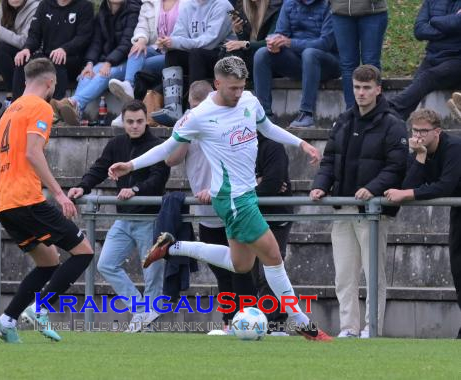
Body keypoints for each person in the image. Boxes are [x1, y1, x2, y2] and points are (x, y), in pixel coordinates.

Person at [109, 56, 332, 341]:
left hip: (245, 194)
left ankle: (172, 247)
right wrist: (131, 165)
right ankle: (303, 324)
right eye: (232, 89)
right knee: (273, 257)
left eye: (241, 87)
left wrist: (300, 143)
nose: (238, 94)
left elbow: (267, 129)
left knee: (241, 264)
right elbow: (167, 146)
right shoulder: (199, 116)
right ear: (217, 84)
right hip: (233, 199)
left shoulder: (250, 101)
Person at [0, 58, 94, 343]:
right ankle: (40, 307)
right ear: (50, 83)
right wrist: (59, 194)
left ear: (24, 81)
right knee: (83, 252)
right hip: (26, 200)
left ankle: (7, 320)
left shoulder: (8, 112)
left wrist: (6, 193)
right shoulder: (40, 107)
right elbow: (34, 153)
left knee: (48, 262)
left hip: (4, 203)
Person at [310, 65, 408, 338]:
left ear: (378, 89)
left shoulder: (393, 123)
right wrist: (320, 186)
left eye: (366, 88)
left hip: (373, 211)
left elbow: (397, 166)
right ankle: (349, 328)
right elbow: (329, 160)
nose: (361, 93)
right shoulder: (343, 120)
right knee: (344, 275)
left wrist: (372, 188)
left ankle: (371, 328)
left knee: (373, 274)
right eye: (357, 87)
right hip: (343, 207)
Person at [67, 100, 170, 332]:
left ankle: (148, 327)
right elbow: (99, 168)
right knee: (106, 263)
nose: (135, 126)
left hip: (150, 220)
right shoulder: (116, 144)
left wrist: (135, 190)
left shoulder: (157, 145)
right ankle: (142, 313)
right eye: (130, 122)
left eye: (139, 121)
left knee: (153, 275)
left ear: (147, 121)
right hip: (124, 219)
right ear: (123, 122)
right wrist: (82, 187)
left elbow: (159, 178)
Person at [166, 80, 257, 335]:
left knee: (243, 270)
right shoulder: (188, 122)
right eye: (193, 108)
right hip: (206, 214)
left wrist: (217, 190)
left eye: (201, 107)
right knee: (221, 273)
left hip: (234, 207)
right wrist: (188, 134)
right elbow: (170, 159)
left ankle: (251, 321)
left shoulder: (231, 118)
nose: (197, 113)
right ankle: (229, 322)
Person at [384, 109, 461, 340]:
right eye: (415, 130)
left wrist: (406, 193)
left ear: (437, 131)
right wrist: (419, 156)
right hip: (458, 211)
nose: (417, 135)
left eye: (423, 131)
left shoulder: (454, 147)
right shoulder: (420, 149)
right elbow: (410, 183)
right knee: (458, 270)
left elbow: (444, 186)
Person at [50, 0, 141, 125]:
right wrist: (90, 63)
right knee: (86, 75)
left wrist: (109, 62)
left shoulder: (133, 10)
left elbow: (127, 43)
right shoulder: (102, 13)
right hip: (108, 61)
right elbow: (96, 43)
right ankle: (77, 112)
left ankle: (73, 102)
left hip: (129, 60)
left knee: (104, 74)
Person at [253, 0, 340, 128]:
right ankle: (264, 114)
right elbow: (281, 33)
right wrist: (274, 43)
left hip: (327, 63)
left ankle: (306, 113)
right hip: (297, 60)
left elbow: (325, 43)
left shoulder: (329, 5)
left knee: (309, 53)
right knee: (262, 54)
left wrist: (289, 43)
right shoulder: (289, 3)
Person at [150, 0, 234, 127]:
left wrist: (176, 42)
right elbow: (179, 35)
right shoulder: (188, 5)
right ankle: (173, 108)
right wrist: (168, 43)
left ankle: (194, 108)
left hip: (223, 56)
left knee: (196, 54)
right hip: (197, 54)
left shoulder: (223, 6)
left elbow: (209, 42)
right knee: (173, 53)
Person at [107, 0, 183, 127]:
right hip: (157, 49)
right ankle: (128, 86)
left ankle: (128, 111)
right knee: (137, 49)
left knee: (142, 67)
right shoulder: (149, 3)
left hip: (176, 52)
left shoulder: (188, 3)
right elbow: (141, 27)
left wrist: (172, 42)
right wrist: (141, 39)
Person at [389, 0, 461, 120]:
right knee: (415, 87)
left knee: (428, 77)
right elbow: (419, 30)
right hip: (433, 56)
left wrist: (434, 21)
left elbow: (457, 23)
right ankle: (392, 122)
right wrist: (448, 28)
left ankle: (388, 108)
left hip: (457, 59)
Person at [251, 132, 293, 334]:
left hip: (275, 219)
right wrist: (256, 183)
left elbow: (273, 183)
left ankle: (275, 325)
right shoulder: (235, 146)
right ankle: (253, 322)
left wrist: (261, 184)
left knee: (269, 273)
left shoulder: (272, 147)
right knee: (248, 273)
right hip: (249, 216)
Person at [13, 0, 94, 100]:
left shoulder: (85, 6)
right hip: (48, 56)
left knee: (56, 62)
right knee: (23, 60)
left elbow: (83, 37)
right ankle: (17, 106)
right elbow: (34, 34)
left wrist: (65, 49)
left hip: (72, 59)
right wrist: (27, 49)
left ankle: (55, 109)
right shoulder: (44, 4)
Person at [0, 0, 40, 124]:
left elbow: (26, 41)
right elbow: (0, 36)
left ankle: (11, 97)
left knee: (1, 50)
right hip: (8, 50)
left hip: (30, 52)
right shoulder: (5, 6)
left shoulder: (35, 6)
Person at [329, 0, 388, 110]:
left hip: (373, 11)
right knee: (347, 65)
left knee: (371, 63)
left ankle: (375, 112)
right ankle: (351, 113)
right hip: (340, 11)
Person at [223, 0, 283, 75]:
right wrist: (240, 31)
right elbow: (245, 42)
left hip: (270, 59)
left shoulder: (276, 8)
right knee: (228, 53)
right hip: (251, 57)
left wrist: (245, 44)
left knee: (232, 60)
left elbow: (271, 42)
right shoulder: (244, 8)